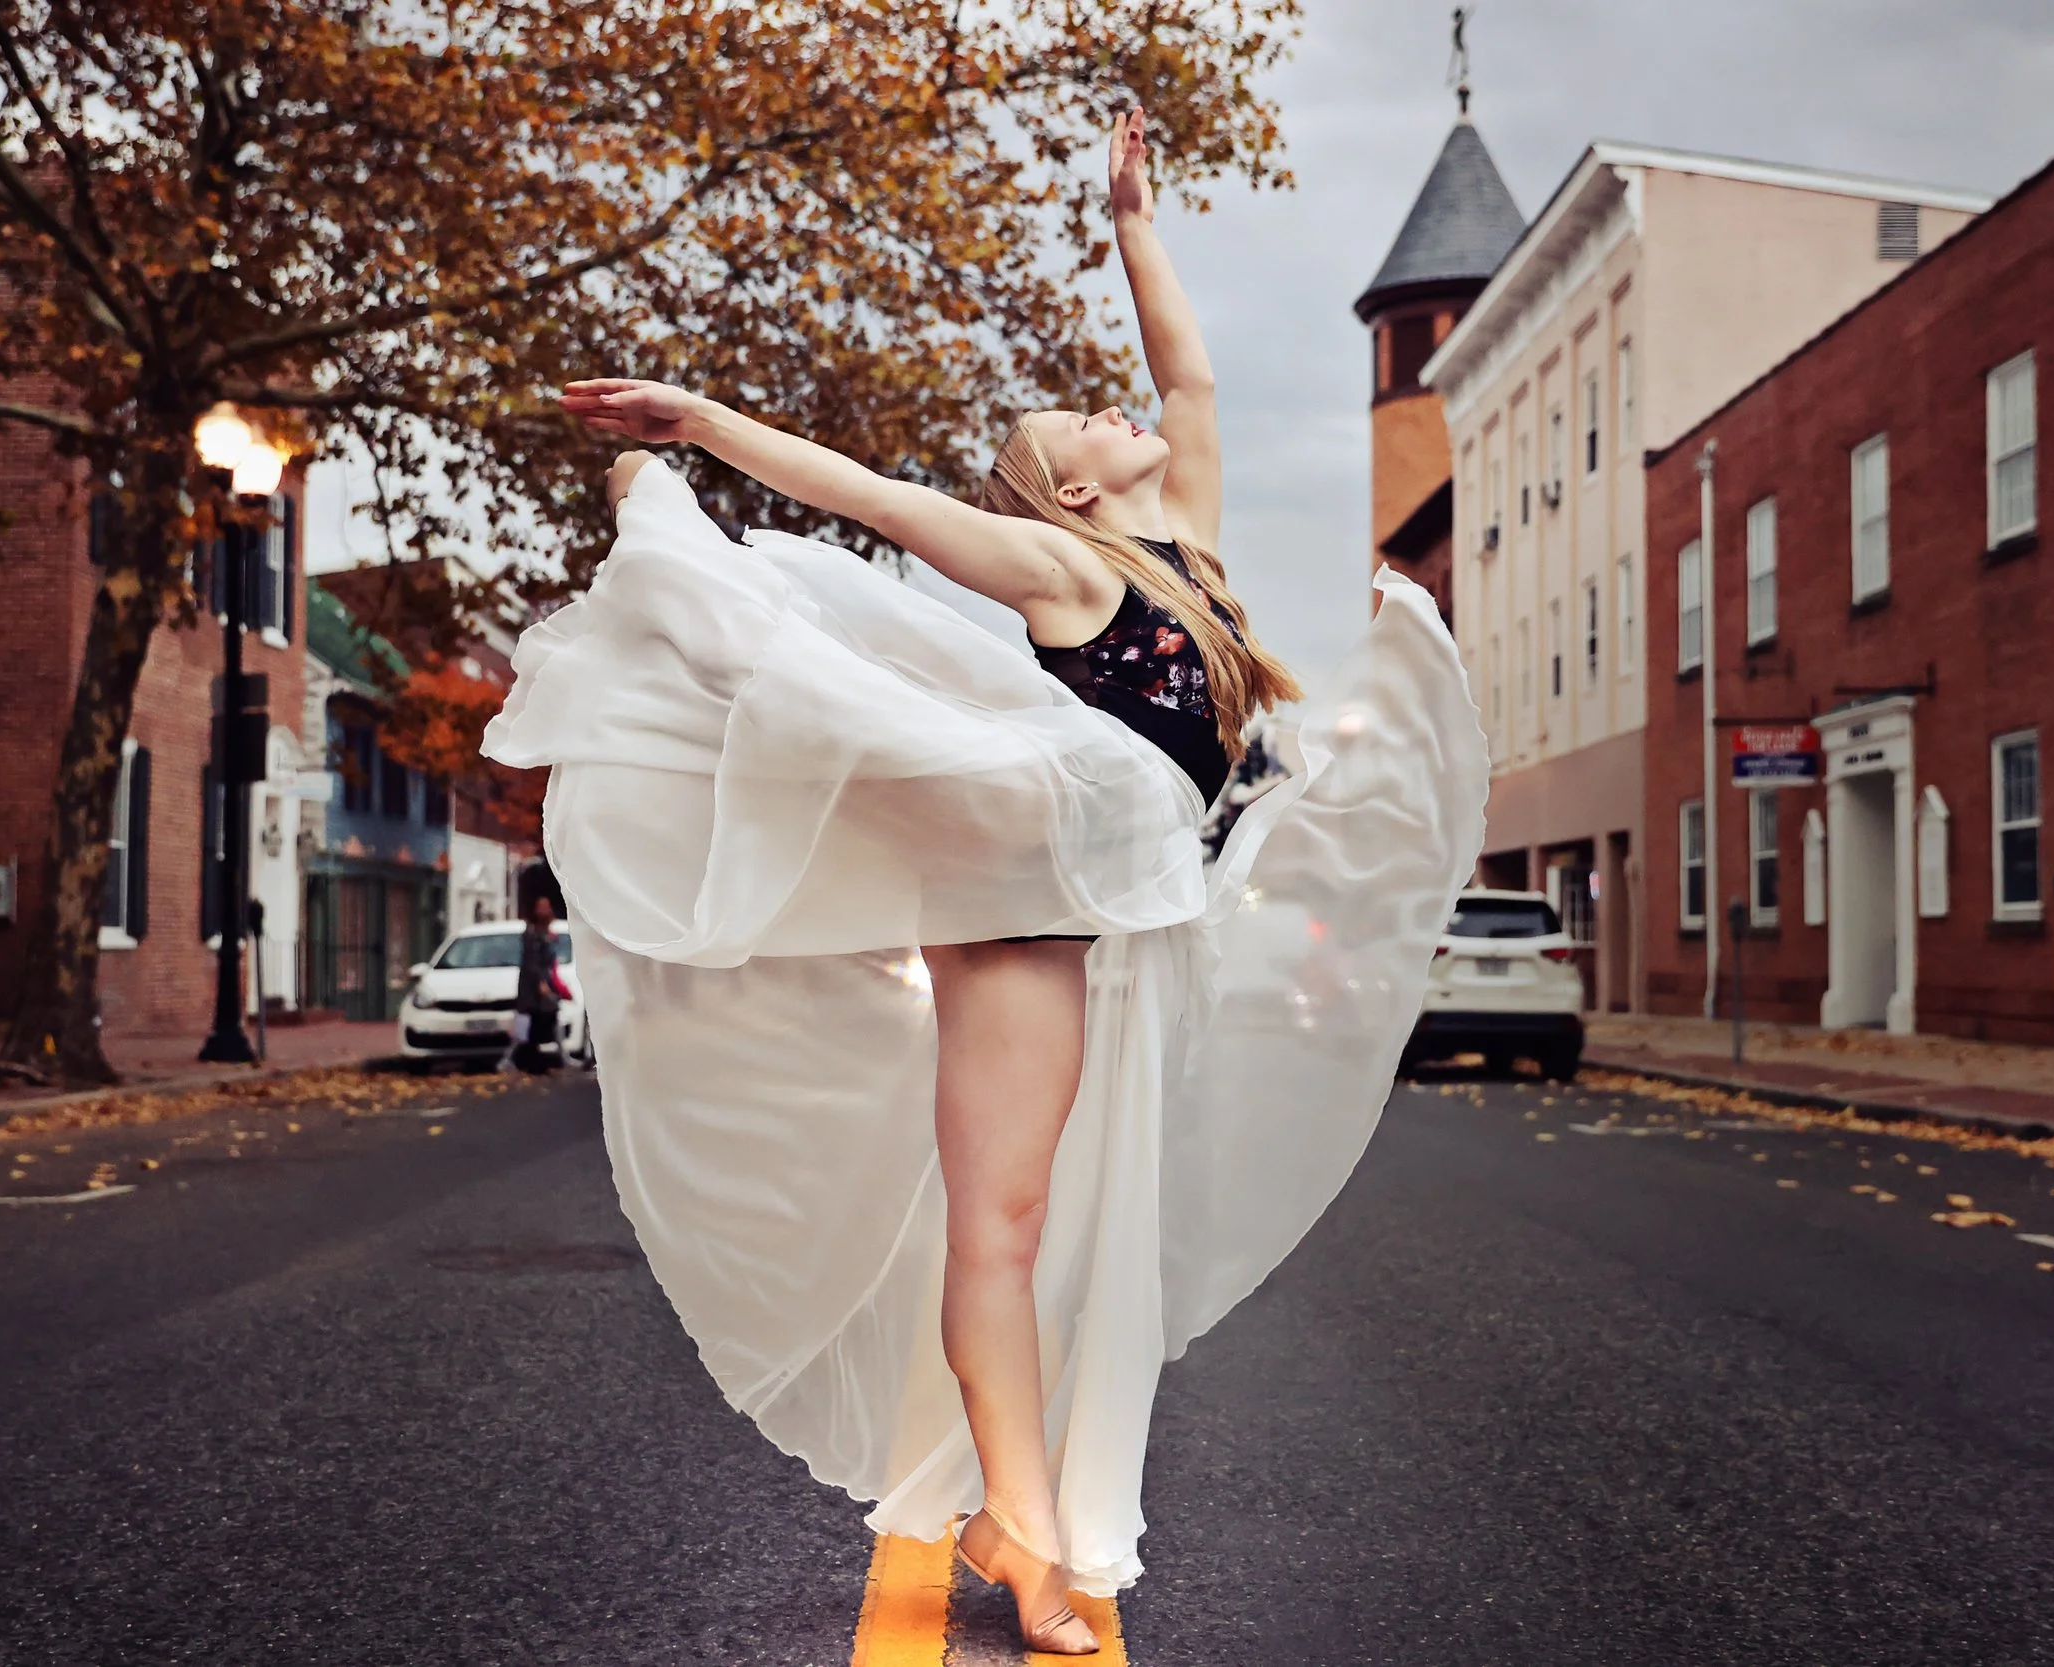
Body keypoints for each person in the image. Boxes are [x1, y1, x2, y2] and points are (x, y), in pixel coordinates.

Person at [486, 106, 1488, 1653]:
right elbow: (875, 503)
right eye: (1071, 429)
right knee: (1005, 1229)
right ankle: (1020, 1535)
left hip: (1134, 903)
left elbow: (1193, 381)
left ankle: (1013, 1498)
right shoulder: (1064, 569)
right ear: (1067, 495)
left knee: (1092, 1230)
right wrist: (700, 424)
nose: (1104, 413)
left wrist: (1133, 220)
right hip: (1030, 886)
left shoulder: (1192, 560)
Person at [507, 885, 566, 1074]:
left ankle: (538, 1059)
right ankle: (529, 1061)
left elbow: (549, 959)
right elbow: (533, 960)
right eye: (541, 906)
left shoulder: (547, 931)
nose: (544, 910)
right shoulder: (532, 932)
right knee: (536, 1019)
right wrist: (541, 982)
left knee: (545, 1018)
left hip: (543, 983)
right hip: (533, 986)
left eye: (546, 906)